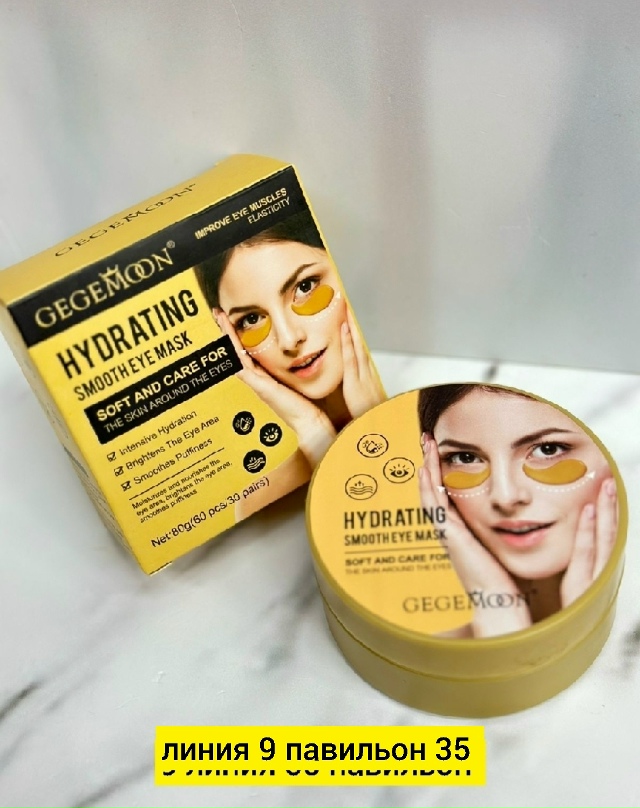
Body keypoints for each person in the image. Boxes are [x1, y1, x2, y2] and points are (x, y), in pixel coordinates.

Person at [195, 211, 384, 516]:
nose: (288, 339)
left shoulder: (436, 403)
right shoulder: (259, 498)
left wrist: (375, 417)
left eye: (305, 287)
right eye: (251, 319)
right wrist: (312, 430)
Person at [417, 384, 618, 638]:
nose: (505, 497)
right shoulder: (423, 653)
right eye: (465, 458)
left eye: (548, 449)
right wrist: (494, 606)